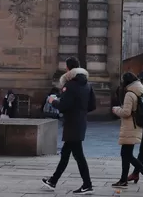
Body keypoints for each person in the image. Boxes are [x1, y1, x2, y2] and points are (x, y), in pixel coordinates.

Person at [42, 57, 95, 195]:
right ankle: (53, 181)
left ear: (68, 69)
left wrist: (53, 101)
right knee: (66, 154)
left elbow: (63, 106)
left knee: (78, 155)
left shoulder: (70, 85)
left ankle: (87, 184)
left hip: (71, 123)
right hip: (80, 122)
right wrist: (80, 111)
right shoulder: (88, 85)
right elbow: (92, 105)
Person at [111, 72, 143, 189]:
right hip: (135, 126)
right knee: (126, 154)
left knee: (126, 154)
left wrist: (116, 110)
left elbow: (126, 112)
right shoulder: (139, 91)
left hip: (130, 127)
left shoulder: (129, 94)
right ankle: (123, 180)